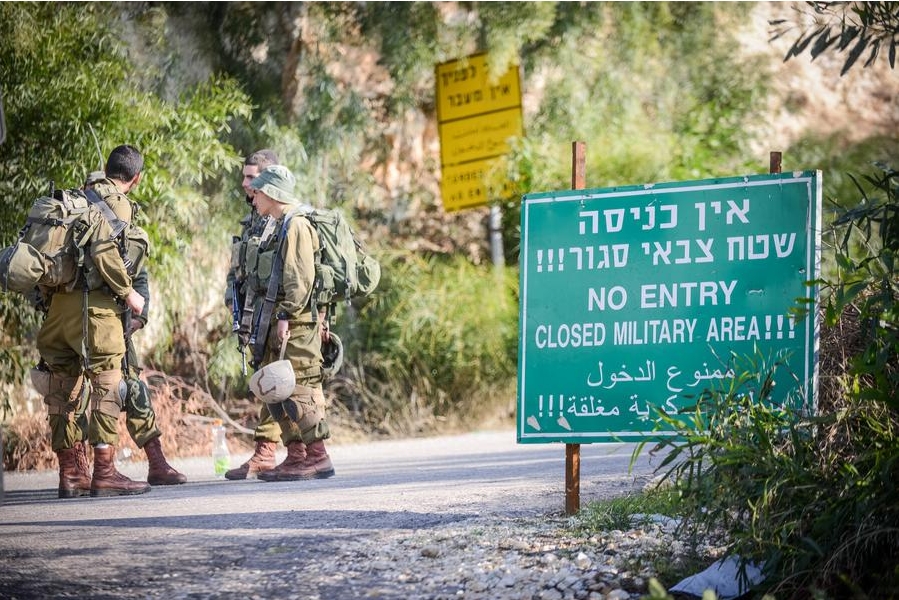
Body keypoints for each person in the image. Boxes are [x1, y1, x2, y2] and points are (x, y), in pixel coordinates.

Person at [36, 145, 151, 498]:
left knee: (60, 394)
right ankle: (104, 472)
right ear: (135, 178)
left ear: (105, 169)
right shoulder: (120, 205)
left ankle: (70, 473)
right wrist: (130, 294)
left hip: (57, 313)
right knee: (106, 388)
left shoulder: (71, 201)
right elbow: (109, 256)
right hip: (96, 312)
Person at [243, 164, 334, 481]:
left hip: (296, 323)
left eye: (258, 193)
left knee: (300, 389)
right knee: (277, 390)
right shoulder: (277, 224)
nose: (253, 199)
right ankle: (296, 455)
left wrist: (286, 316)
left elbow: (300, 280)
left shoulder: (296, 226)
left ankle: (318, 456)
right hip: (279, 321)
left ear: (270, 193)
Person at [223, 149, 284, 480]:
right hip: (254, 311)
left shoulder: (280, 218)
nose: (244, 184)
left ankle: (272, 450)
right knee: (268, 378)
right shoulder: (253, 219)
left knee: (277, 380)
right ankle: (283, 450)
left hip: (278, 312)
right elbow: (240, 269)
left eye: (251, 177)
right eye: (244, 176)